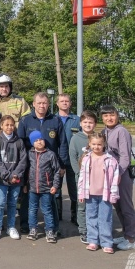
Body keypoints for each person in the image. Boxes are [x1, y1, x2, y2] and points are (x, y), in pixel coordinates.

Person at [18, 92, 68, 226]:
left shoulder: (55, 120)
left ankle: (53, 226)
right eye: (39, 103)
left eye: (44, 103)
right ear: (33, 104)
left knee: (51, 196)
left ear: (48, 104)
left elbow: (62, 143)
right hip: (30, 165)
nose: (42, 106)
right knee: (27, 196)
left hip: (50, 166)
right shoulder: (25, 120)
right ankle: (25, 225)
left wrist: (62, 165)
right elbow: (20, 143)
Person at [98, 105, 135, 251]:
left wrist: (118, 175)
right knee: (117, 206)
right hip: (109, 175)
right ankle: (126, 234)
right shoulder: (104, 132)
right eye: (105, 116)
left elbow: (125, 157)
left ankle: (131, 237)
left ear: (117, 115)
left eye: (111, 115)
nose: (109, 118)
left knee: (126, 206)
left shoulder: (121, 131)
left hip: (121, 175)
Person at [77, 132, 120, 254]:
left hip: (105, 194)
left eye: (99, 144)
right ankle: (93, 241)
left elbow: (115, 178)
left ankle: (106, 242)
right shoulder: (86, 159)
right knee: (91, 217)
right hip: (89, 194)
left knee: (105, 218)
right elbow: (82, 178)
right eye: (94, 144)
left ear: (104, 144)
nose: (96, 147)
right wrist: (81, 193)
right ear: (89, 144)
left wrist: (113, 194)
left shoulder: (110, 160)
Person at [0, 115, 27, 240]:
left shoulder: (19, 141)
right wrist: (7, 175)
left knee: (12, 204)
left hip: (16, 179)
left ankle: (11, 227)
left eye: (11, 125)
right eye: (6, 125)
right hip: (3, 180)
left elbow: (23, 160)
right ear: (1, 126)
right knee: (0, 203)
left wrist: (15, 175)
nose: (9, 127)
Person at [26, 131, 61, 243]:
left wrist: (55, 185)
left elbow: (56, 171)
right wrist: (25, 185)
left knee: (47, 210)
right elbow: (26, 170)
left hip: (46, 188)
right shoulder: (29, 154)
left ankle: (50, 230)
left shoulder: (51, 154)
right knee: (32, 210)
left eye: (40, 139)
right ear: (32, 143)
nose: (39, 142)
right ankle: (33, 229)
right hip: (32, 188)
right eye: (36, 140)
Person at [69, 110, 98, 244]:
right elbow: (73, 158)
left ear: (95, 124)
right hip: (82, 179)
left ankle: (95, 229)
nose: (88, 125)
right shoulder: (76, 138)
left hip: (97, 179)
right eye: (85, 122)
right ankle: (84, 230)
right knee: (82, 205)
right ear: (80, 123)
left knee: (96, 204)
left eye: (90, 122)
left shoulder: (98, 138)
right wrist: (78, 173)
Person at [56, 93, 81, 226]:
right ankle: (58, 214)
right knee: (56, 186)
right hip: (57, 158)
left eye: (67, 101)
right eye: (62, 101)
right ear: (57, 104)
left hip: (74, 159)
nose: (65, 103)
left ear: (70, 104)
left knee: (74, 186)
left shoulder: (77, 120)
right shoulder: (52, 119)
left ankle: (74, 215)